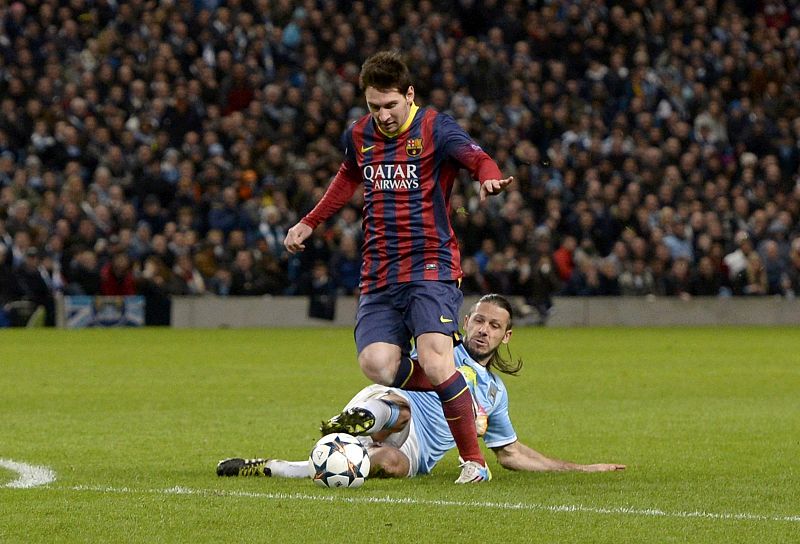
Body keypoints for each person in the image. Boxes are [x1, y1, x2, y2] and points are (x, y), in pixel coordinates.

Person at [283, 51, 513, 484]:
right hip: (380, 271)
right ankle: (459, 393)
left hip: (431, 265)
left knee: (432, 355)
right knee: (377, 363)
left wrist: (489, 177)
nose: (384, 115)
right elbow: (348, 177)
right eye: (375, 107)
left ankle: (474, 462)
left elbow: (477, 157)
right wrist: (309, 221)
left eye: (391, 105)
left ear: (409, 95)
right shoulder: (358, 135)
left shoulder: (434, 127)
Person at [217, 295, 625, 480]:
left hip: (418, 453)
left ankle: (273, 467)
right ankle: (357, 421)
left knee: (384, 464)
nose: (483, 330)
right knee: (402, 404)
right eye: (478, 321)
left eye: (494, 325)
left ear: (507, 336)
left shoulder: (495, 393)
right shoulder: (438, 350)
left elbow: (511, 454)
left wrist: (578, 469)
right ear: (465, 322)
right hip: (392, 406)